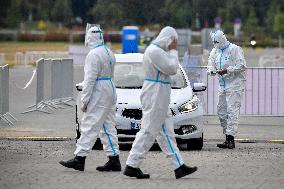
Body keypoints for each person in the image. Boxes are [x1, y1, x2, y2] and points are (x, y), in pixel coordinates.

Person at [123, 26, 198, 179]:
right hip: (155, 94)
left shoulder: (157, 51)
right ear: (169, 39)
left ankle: (178, 166)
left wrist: (171, 52)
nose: (175, 44)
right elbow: (171, 68)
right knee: (148, 130)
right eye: (174, 41)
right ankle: (132, 164)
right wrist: (174, 51)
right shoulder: (155, 51)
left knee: (166, 132)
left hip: (160, 94)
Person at [59, 25, 121, 172]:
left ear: (89, 38)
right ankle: (114, 159)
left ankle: (79, 159)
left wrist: (84, 100)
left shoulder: (93, 55)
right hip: (110, 89)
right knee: (108, 126)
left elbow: (90, 80)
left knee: (89, 124)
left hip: (99, 92)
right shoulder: (109, 52)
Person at [207, 30, 246, 149]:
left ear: (223, 39)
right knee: (221, 112)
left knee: (232, 111)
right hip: (222, 85)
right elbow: (210, 64)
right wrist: (211, 71)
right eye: (214, 42)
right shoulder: (215, 51)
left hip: (234, 85)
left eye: (217, 42)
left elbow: (242, 66)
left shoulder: (235, 49)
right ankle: (227, 136)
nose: (216, 44)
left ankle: (230, 139)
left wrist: (227, 70)